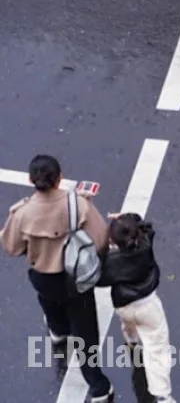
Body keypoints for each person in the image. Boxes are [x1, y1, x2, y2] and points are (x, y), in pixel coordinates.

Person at [0, 155, 114, 403]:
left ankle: (59, 332)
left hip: (43, 277)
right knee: (86, 335)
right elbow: (102, 239)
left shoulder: (22, 213)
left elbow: (11, 247)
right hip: (76, 278)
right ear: (59, 178)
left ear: (31, 180)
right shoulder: (78, 205)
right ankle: (98, 387)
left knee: (49, 302)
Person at [95, 213, 175, 402]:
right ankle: (162, 395)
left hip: (124, 306)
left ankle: (132, 341)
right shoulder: (145, 246)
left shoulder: (111, 262)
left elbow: (98, 277)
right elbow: (147, 226)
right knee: (157, 349)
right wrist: (128, 217)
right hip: (148, 306)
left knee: (129, 323)